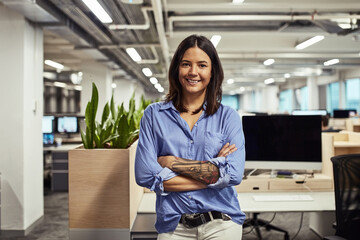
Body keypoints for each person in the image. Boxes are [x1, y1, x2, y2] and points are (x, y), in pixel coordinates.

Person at [135, 34, 246, 239]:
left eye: (202, 65)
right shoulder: (154, 115)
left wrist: (171, 162)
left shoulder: (228, 117)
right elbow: (144, 175)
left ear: (212, 72)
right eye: (186, 64)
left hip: (221, 222)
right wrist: (214, 173)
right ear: (177, 69)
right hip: (173, 224)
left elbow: (234, 174)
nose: (193, 72)